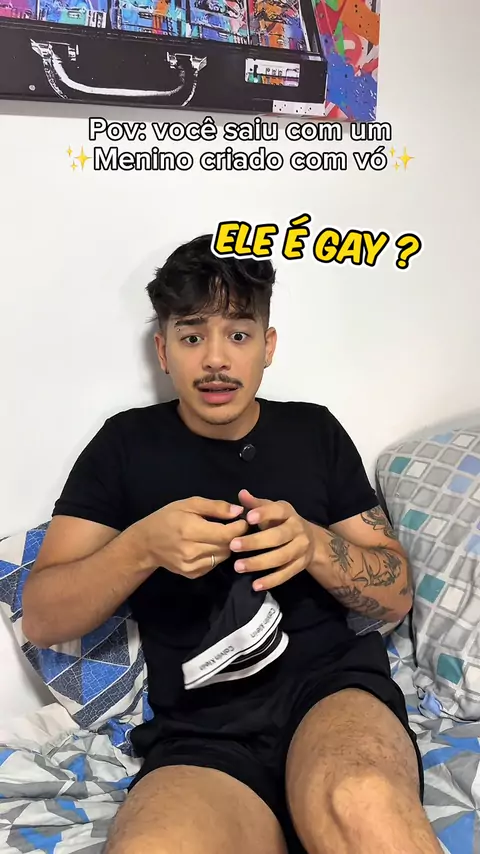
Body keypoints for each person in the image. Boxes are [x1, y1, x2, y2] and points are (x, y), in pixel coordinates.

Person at [22, 234, 442, 854]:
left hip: (331, 693)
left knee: (364, 803)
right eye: (192, 337)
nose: (216, 360)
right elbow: (42, 618)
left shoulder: (314, 430)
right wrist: (140, 548)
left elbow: (397, 596)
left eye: (238, 335)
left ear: (267, 347)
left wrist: (314, 546)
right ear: (163, 351)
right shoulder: (124, 445)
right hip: (201, 734)